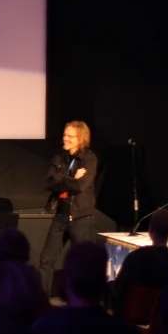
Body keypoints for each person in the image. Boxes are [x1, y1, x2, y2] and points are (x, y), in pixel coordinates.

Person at [38, 120, 97, 296]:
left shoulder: (89, 158)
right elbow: (49, 182)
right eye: (64, 135)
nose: (65, 138)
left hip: (80, 216)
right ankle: (42, 301)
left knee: (82, 262)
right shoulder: (59, 158)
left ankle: (82, 301)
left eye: (70, 136)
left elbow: (81, 187)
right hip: (61, 214)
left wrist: (61, 178)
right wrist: (70, 178)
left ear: (80, 139)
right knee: (46, 259)